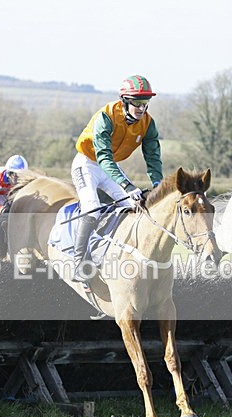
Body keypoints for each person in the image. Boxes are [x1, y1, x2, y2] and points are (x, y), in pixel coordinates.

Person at [70, 74, 164, 282]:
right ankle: (78, 264)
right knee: (92, 207)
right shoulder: (107, 115)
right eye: (137, 103)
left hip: (111, 166)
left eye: (145, 103)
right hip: (88, 163)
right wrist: (126, 184)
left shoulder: (148, 123)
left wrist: (158, 185)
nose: (142, 108)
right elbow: (103, 158)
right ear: (125, 101)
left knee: (133, 204)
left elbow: (153, 157)